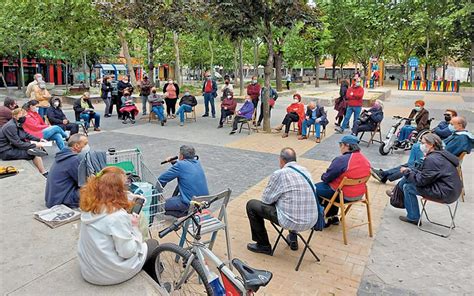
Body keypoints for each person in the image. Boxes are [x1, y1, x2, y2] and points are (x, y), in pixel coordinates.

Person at [78, 166, 160, 285]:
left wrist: (132, 197)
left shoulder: (89, 204)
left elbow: (111, 195)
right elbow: (127, 252)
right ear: (118, 191)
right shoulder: (116, 217)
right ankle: (158, 283)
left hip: (89, 270)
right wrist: (134, 227)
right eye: (124, 186)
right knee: (153, 245)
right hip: (108, 275)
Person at [246, 148, 318, 254]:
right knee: (291, 202)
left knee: (251, 205)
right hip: (311, 221)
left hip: (290, 221)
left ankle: (263, 245)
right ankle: (293, 238)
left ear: (281, 160)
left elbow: (266, 200)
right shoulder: (305, 171)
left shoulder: (280, 174)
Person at [372, 116, 473, 184]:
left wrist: (431, 151)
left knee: (414, 160)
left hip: (441, 162)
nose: (449, 126)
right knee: (415, 155)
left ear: (460, 126)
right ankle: (384, 175)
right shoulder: (460, 136)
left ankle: (386, 175)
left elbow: (445, 151)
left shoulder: (461, 138)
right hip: (441, 158)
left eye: (452, 123)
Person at [395, 133, 462, 225]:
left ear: (431, 145)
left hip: (445, 193)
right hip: (450, 189)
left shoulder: (432, 159)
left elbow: (421, 181)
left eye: (423, 143)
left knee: (408, 187)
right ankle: (398, 196)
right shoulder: (442, 154)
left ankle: (413, 217)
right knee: (408, 177)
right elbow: (427, 176)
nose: (421, 146)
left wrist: (407, 172)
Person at [316, 135, 371, 227]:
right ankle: (333, 217)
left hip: (344, 195)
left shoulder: (341, 160)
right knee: (333, 189)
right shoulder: (365, 160)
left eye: (340, 145)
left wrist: (323, 175)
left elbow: (327, 177)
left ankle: (320, 218)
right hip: (359, 195)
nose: (340, 148)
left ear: (346, 146)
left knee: (314, 188)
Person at [158, 145, 209, 218]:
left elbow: (161, 179)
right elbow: (185, 167)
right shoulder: (197, 162)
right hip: (203, 201)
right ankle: (187, 212)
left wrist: (156, 194)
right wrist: (174, 162)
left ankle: (185, 216)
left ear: (181, 156)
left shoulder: (180, 165)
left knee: (159, 207)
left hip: (189, 202)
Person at [45, 134, 88, 208]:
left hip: (53, 199)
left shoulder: (64, 155)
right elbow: (83, 182)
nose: (87, 146)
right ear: (76, 146)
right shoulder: (73, 159)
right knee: (96, 189)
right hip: (63, 200)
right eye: (85, 144)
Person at [0, 108, 48, 176]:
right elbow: (18, 143)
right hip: (6, 152)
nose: (24, 117)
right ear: (15, 116)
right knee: (33, 153)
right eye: (22, 115)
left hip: (10, 148)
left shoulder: (16, 123)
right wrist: (35, 145)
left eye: (24, 115)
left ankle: (43, 172)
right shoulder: (11, 126)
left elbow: (25, 134)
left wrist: (39, 139)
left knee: (33, 151)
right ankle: (44, 173)